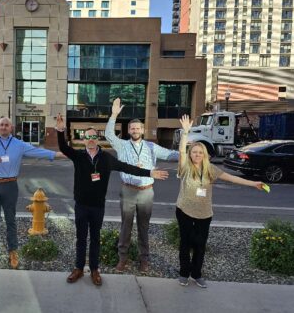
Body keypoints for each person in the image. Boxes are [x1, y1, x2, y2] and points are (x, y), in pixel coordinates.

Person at [56, 114, 169, 286]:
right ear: (84, 140)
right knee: (81, 238)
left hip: (98, 207)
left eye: (94, 136)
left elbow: (127, 167)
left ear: (98, 139)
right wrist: (60, 130)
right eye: (88, 137)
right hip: (81, 205)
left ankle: (94, 269)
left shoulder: (107, 158)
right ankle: (78, 268)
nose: (92, 139)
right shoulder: (78, 156)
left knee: (95, 238)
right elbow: (64, 147)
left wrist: (149, 172)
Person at [0, 87, 64, 269]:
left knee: (11, 221)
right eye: (1, 124)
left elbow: (41, 152)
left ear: (12, 128)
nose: (4, 127)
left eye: (7, 124)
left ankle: (13, 252)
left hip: (10, 186)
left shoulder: (19, 144)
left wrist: (62, 153)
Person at [176, 114, 265, 288]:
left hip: (205, 213)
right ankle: (184, 273)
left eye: (200, 152)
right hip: (184, 210)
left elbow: (232, 178)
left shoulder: (211, 169)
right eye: (194, 152)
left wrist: (254, 183)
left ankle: (196, 274)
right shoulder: (185, 167)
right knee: (185, 243)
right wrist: (185, 133)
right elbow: (180, 152)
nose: (197, 155)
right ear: (190, 154)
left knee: (200, 245)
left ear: (205, 155)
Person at [105, 98, 180, 273]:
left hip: (146, 193)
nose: (135, 130)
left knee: (144, 228)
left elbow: (172, 155)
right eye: (132, 128)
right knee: (126, 227)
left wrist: (190, 151)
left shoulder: (152, 147)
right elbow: (108, 135)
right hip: (128, 191)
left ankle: (144, 260)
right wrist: (114, 115)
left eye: (138, 128)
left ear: (143, 130)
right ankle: (122, 259)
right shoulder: (122, 145)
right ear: (129, 130)